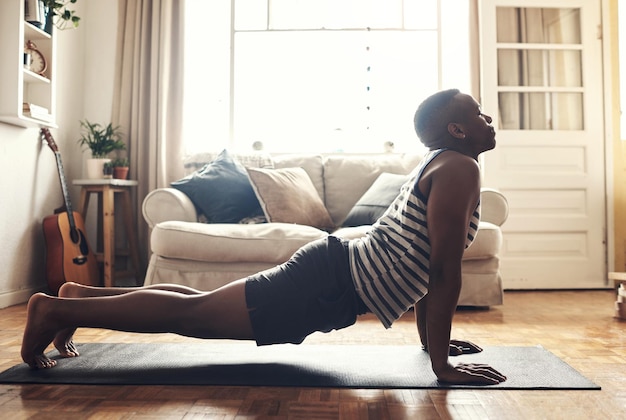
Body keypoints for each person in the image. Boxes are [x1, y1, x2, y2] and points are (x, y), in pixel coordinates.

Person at [21, 89, 506, 386]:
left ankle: (79, 296)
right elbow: (441, 271)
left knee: (198, 302)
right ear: (457, 129)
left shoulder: (447, 162)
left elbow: (421, 267)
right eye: (480, 114)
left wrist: (432, 347)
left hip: (330, 275)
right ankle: (56, 310)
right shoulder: (459, 167)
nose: (489, 120)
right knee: (193, 316)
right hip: (325, 284)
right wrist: (441, 366)